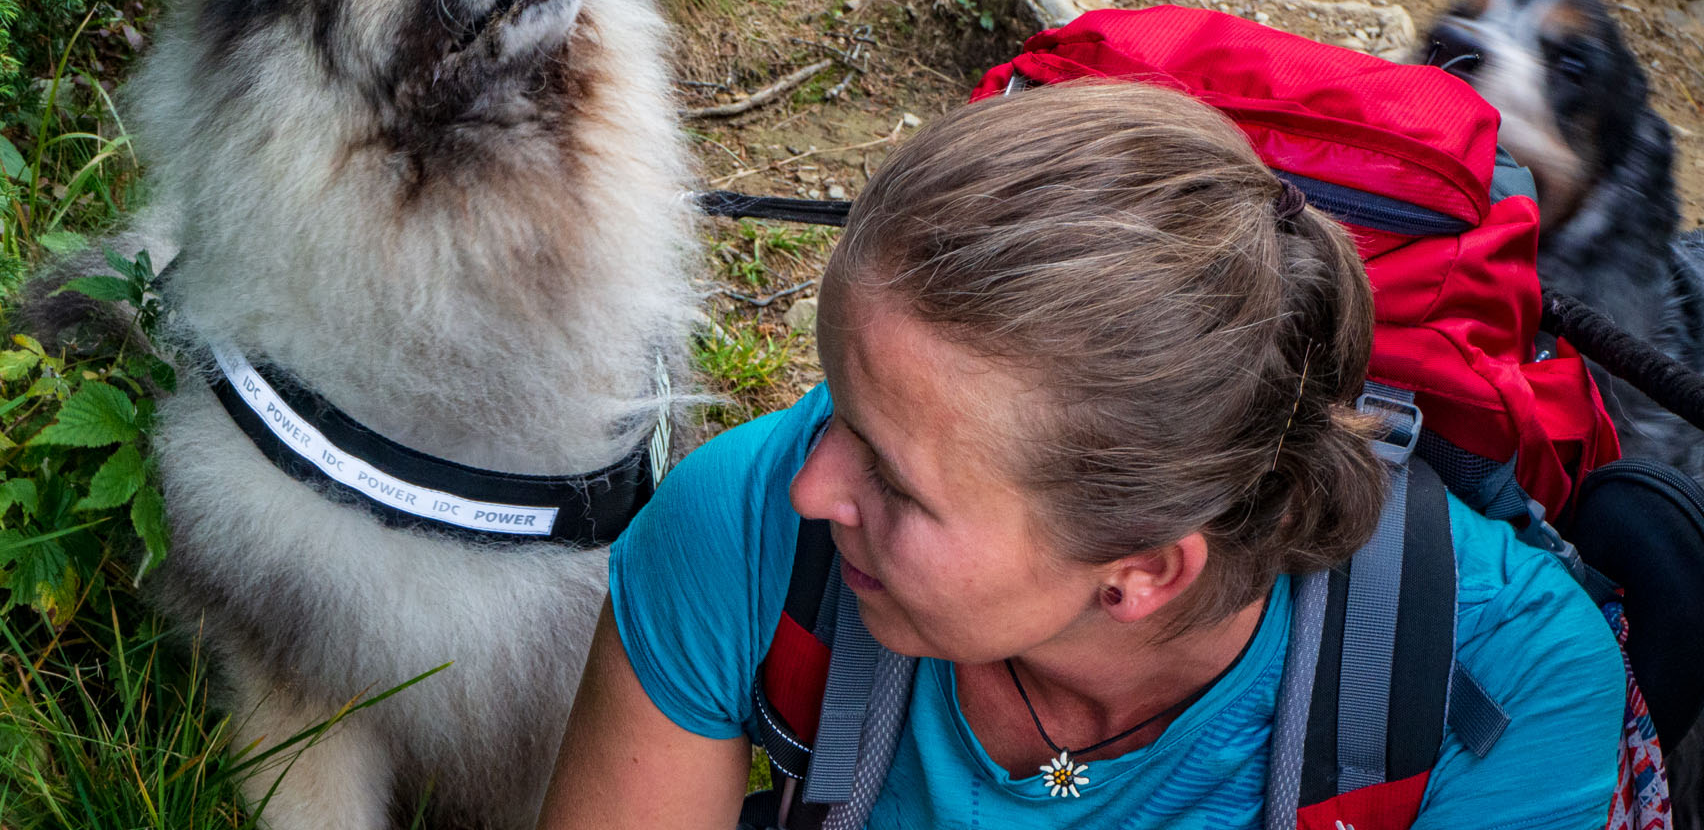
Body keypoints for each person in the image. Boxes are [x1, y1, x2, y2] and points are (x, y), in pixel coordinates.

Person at [536, 81, 1625, 829]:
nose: (812, 483)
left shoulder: (1494, 687)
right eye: (841, 407)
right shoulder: (741, 526)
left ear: (1144, 568)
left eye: (898, 483)